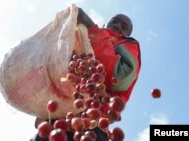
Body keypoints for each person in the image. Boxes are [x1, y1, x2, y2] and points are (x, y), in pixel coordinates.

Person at [30, 7, 141, 141]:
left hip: (91, 124)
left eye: (124, 27)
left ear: (127, 34)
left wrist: (91, 28)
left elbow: (118, 76)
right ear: (106, 23)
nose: (117, 26)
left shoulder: (128, 44)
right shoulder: (80, 35)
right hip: (58, 117)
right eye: (115, 21)